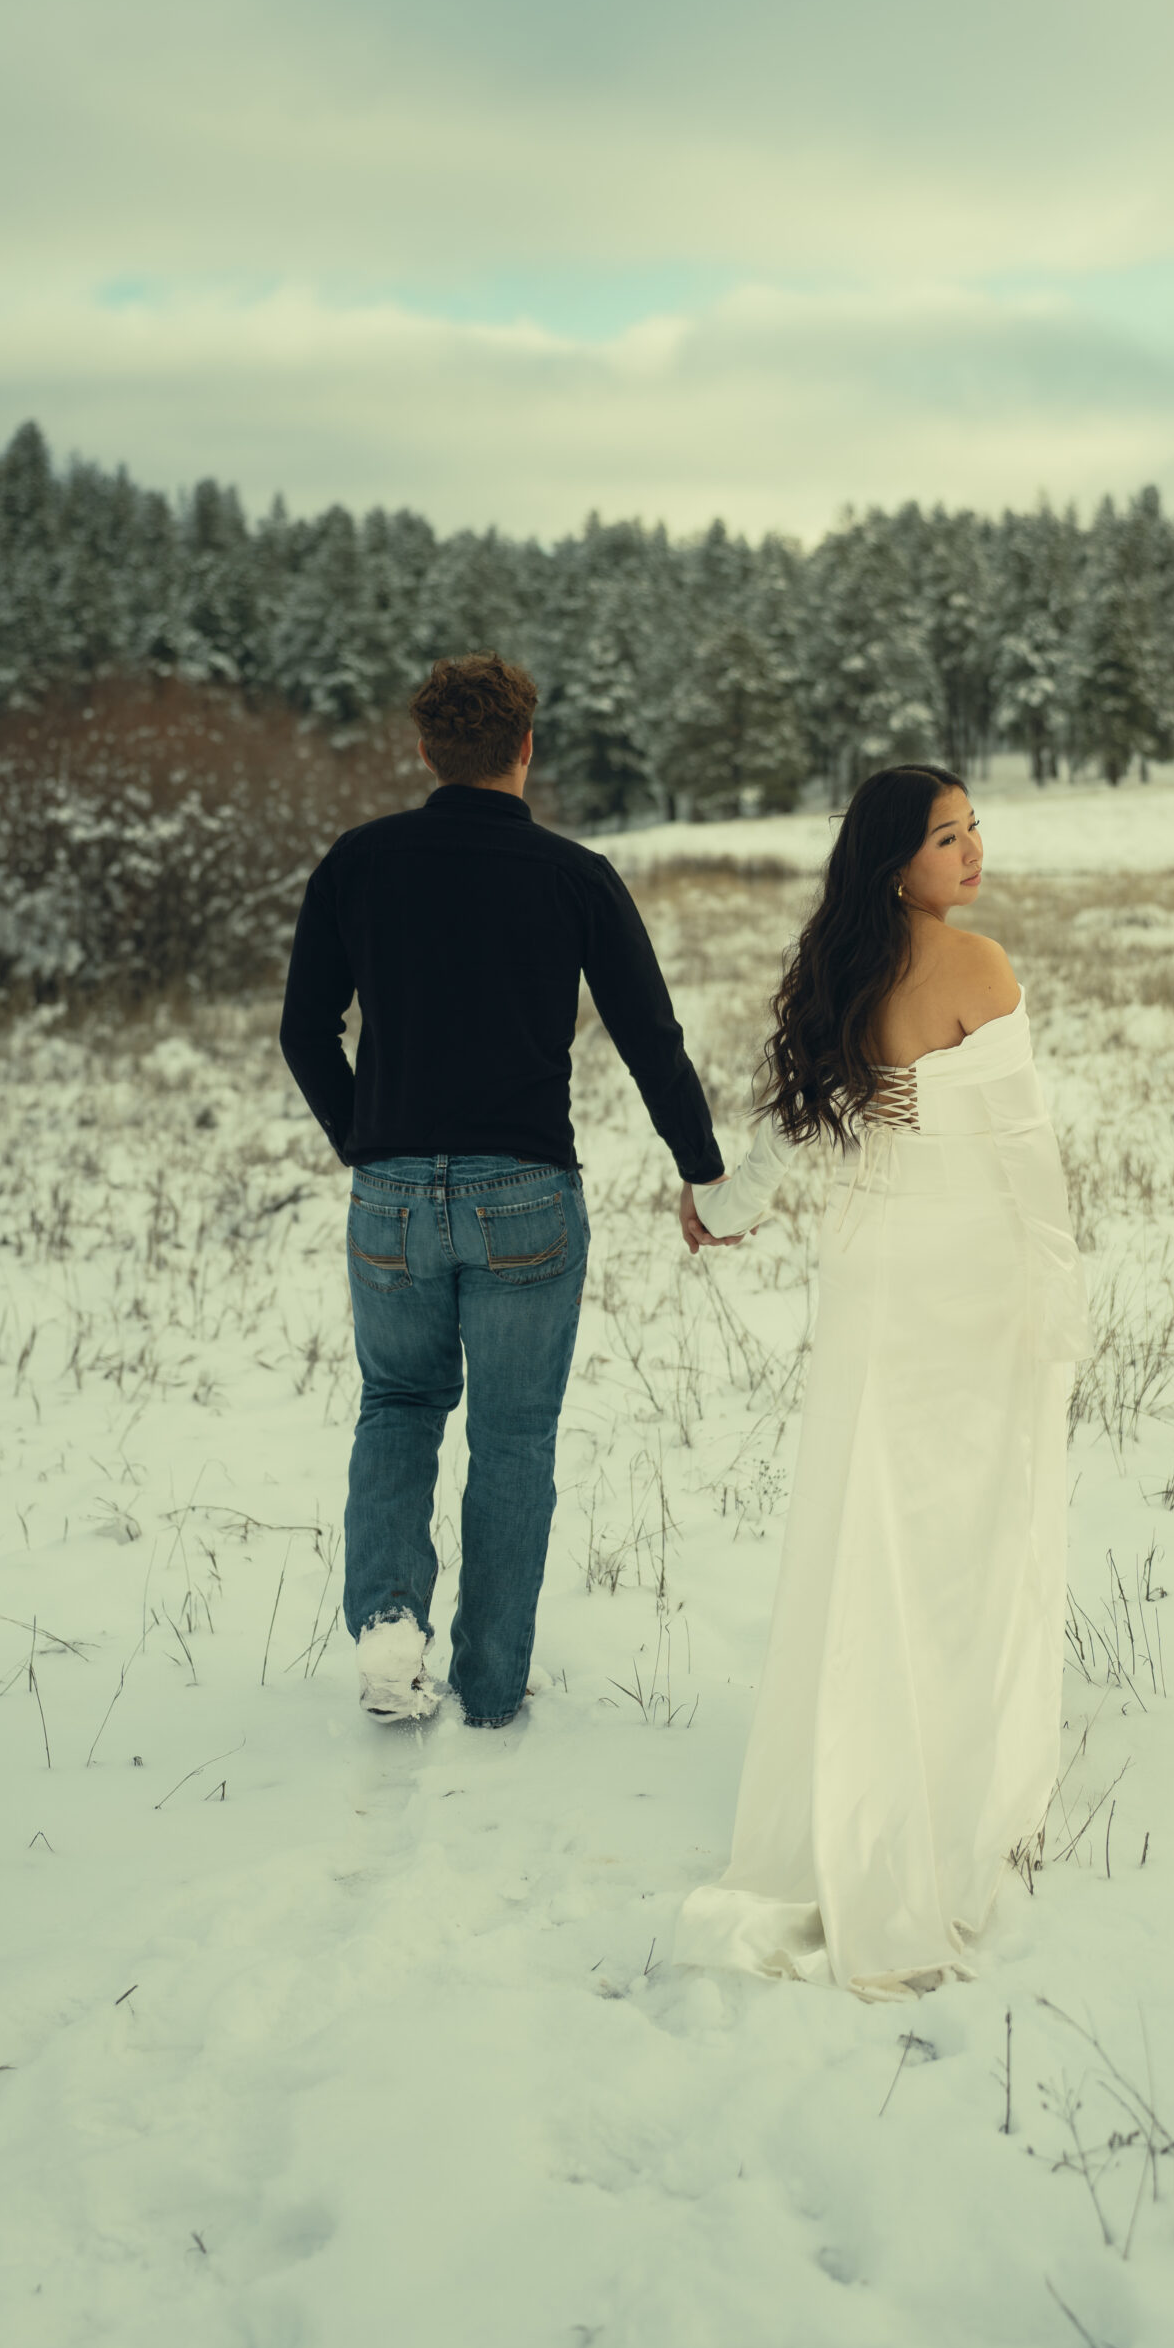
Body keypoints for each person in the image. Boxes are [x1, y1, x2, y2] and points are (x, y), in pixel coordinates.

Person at [674, 765, 1091, 1997]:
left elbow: (786, 1130)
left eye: (973, 829)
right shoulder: (981, 969)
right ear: (894, 860)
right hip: (970, 1280)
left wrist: (720, 1210)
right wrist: (1057, 1302)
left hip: (876, 1281)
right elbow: (1027, 1162)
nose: (971, 851)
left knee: (877, 1523)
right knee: (971, 1526)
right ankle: (954, 1768)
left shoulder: (836, 971)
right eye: (946, 837)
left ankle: (866, 1749)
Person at [279, 651, 726, 1730]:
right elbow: (647, 1037)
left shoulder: (359, 861)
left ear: (425, 749)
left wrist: (367, 1140)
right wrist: (702, 1169)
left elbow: (305, 1029)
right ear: (527, 748)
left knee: (396, 1404)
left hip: (390, 1189)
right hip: (523, 1190)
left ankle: (389, 1624)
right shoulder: (575, 876)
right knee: (514, 1436)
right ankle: (487, 1680)